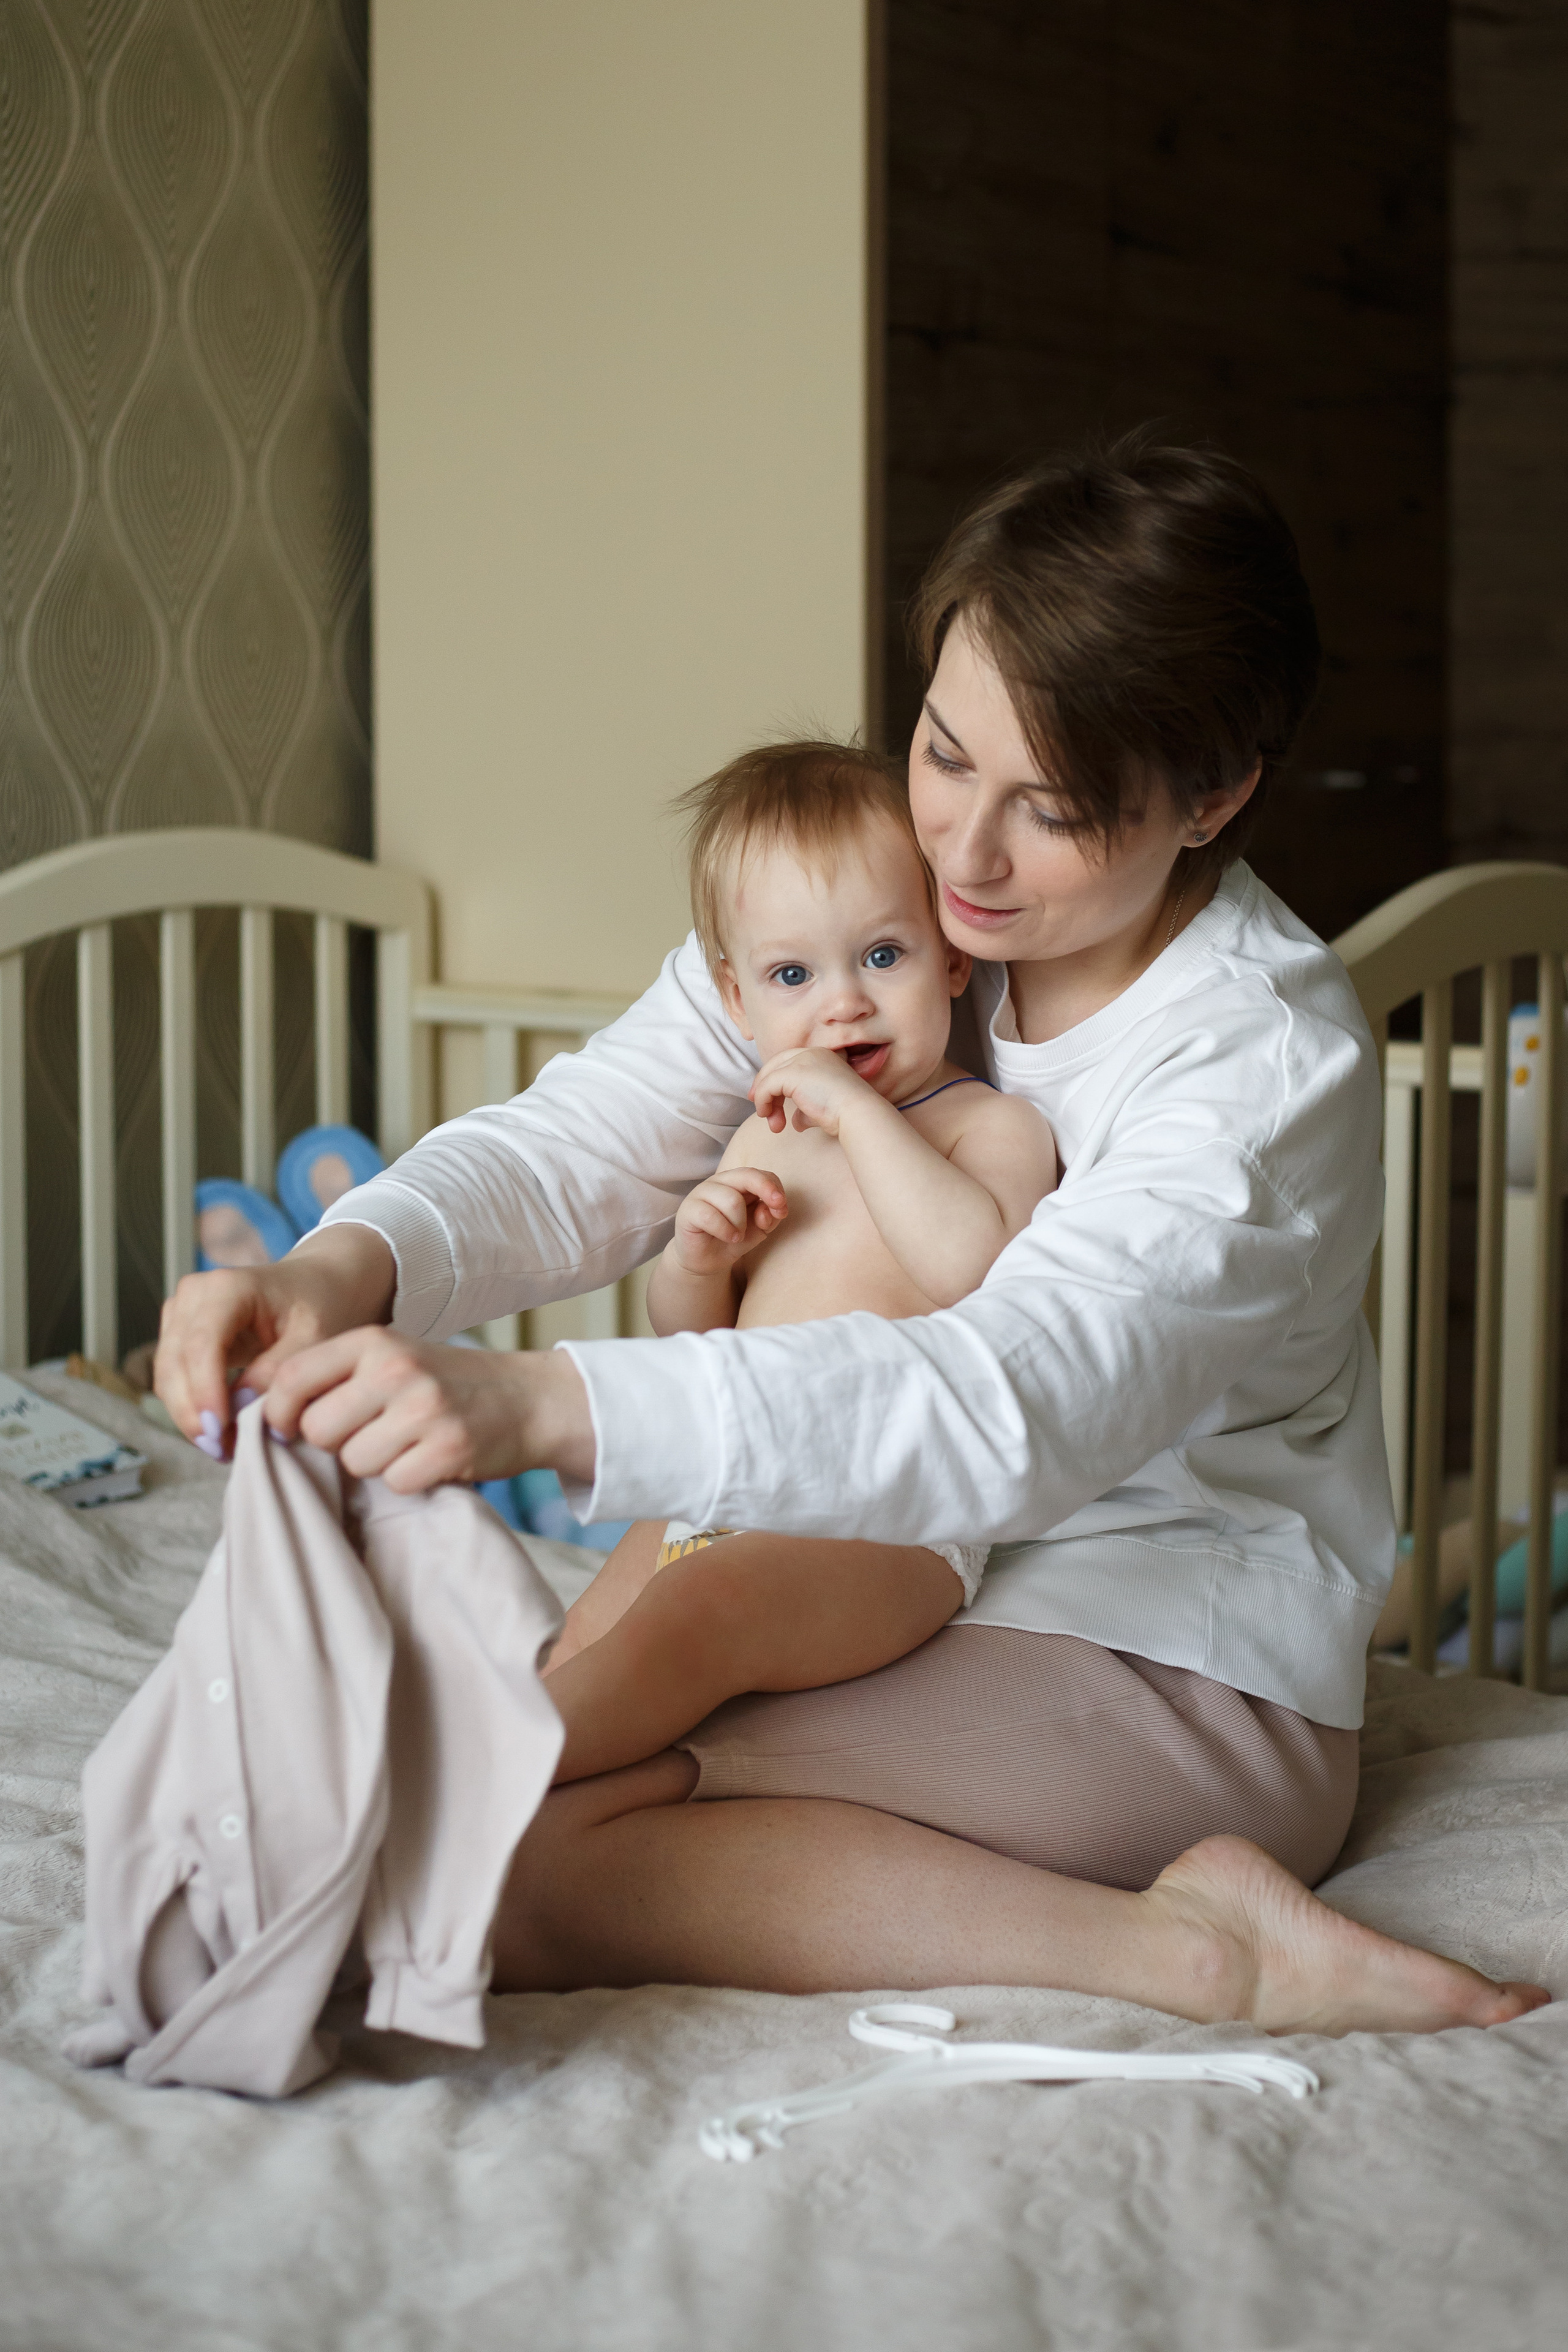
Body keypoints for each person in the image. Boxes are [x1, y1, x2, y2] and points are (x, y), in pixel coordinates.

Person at [154, 433, 1548, 2035]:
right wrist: (332, 1272)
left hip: (1156, 1652)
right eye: (946, 753)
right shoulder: (892, 909)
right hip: (889, 1566)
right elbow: (588, 1143)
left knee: (494, 1867)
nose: (965, 854)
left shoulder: (1254, 1067)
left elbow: (1003, 1399)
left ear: (1213, 796)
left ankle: (1200, 1949)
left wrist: (544, 1402)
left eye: (1056, 808)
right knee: (470, 1832)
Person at [541, 739, 1057, 1783]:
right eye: (793, 974)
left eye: (882, 956)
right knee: (589, 1629)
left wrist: (862, 1113)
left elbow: (974, 1275)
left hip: (891, 1509)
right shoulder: (765, 1141)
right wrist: (697, 1251)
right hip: (731, 1481)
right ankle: (531, 1740)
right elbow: (696, 1342)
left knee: (695, 1617)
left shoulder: (988, 1130)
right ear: (738, 1001)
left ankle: (485, 1787)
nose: (844, 1005)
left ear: (951, 959)